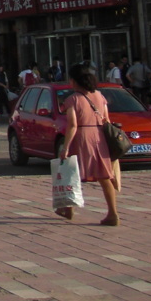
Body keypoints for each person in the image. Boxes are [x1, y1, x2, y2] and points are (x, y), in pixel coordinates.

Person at [58, 63, 118, 226]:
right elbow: (106, 119)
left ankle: (68, 208)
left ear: (74, 81)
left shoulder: (73, 99)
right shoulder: (99, 96)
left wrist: (66, 147)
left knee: (71, 172)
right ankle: (113, 213)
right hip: (99, 136)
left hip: (82, 136)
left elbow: (72, 125)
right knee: (104, 176)